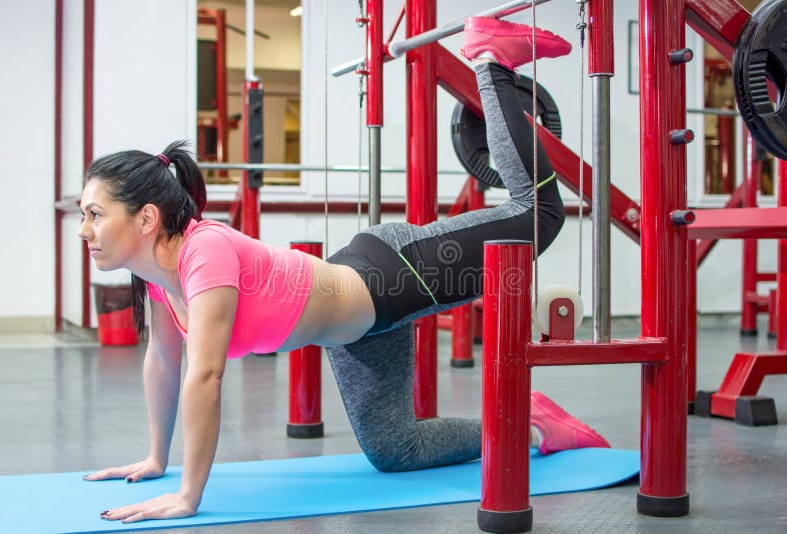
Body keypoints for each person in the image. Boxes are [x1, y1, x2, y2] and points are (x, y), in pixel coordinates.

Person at [80, 17, 609, 524]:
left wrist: (187, 495)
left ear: (146, 218)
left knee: (537, 215)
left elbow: (205, 375)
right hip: (357, 331)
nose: (84, 230)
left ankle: (491, 62)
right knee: (395, 449)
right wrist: (155, 457)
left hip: (396, 276)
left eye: (95, 214)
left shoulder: (204, 252)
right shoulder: (159, 277)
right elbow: (163, 363)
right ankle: (534, 418)